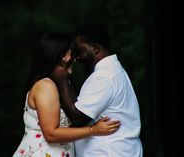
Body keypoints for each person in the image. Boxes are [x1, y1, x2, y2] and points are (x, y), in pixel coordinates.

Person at [12, 32, 120, 157]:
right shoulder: (46, 87)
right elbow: (51, 134)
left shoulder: (59, 85)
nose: (75, 59)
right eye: (72, 53)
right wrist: (93, 130)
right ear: (59, 56)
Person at [51, 24, 143, 157]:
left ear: (94, 49)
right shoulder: (113, 71)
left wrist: (62, 78)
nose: (76, 58)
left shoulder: (104, 76)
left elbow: (78, 117)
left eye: (79, 51)